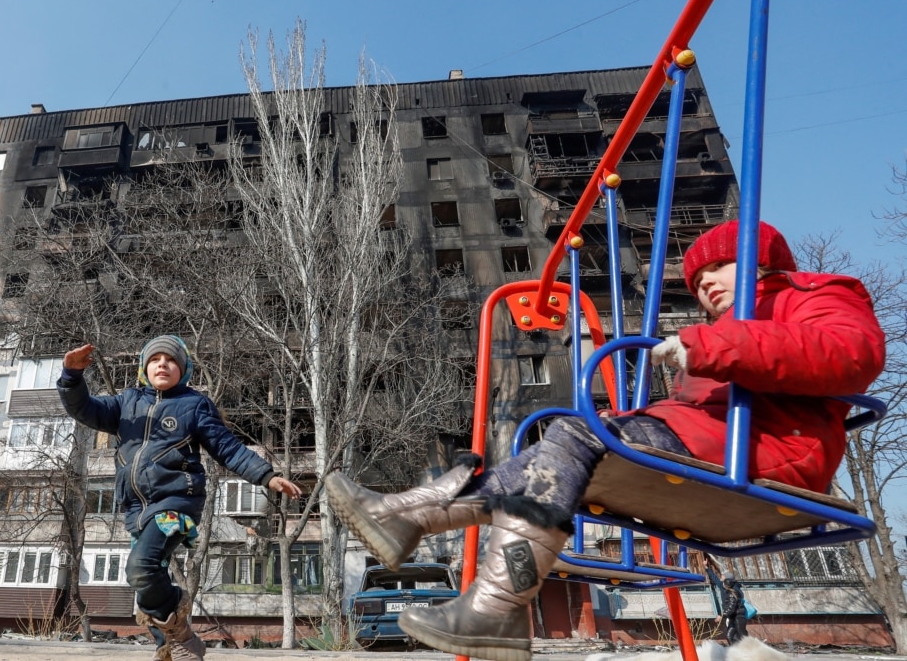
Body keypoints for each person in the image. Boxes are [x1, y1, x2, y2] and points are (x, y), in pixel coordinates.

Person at [325, 220, 885, 661]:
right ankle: (419, 524)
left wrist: (717, 348)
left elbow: (854, 355)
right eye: (697, 280)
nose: (706, 283)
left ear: (762, 262)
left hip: (771, 449)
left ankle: (463, 571)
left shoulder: (809, 295)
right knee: (556, 451)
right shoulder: (722, 333)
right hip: (715, 443)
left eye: (720, 266)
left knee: (576, 431)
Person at [58, 334, 302, 661]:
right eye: (155, 359)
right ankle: (174, 645)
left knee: (142, 568)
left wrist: (267, 476)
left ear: (183, 370)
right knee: (142, 581)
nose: (163, 364)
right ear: (144, 368)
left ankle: (178, 622)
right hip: (136, 511)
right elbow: (84, 409)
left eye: (171, 360)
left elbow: (227, 448)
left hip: (176, 502)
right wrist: (72, 377)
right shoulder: (125, 403)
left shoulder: (193, 405)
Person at [719, 575, 749, 644]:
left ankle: (750, 650)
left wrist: (721, 615)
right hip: (733, 618)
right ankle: (735, 651)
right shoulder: (730, 593)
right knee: (729, 636)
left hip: (738, 618)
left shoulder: (731, 594)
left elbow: (731, 608)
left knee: (743, 637)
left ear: (725, 585)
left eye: (723, 583)